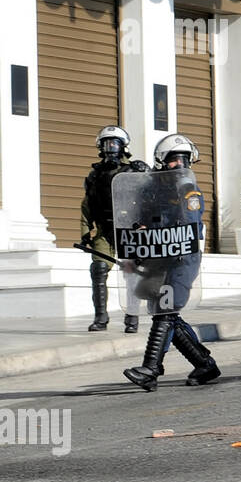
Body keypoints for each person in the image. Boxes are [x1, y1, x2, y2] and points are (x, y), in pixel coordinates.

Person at [122, 134, 221, 391]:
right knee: (164, 311)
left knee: (165, 311)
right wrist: (135, 248)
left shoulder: (189, 190)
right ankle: (204, 364)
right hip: (158, 259)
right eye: (174, 160)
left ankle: (151, 369)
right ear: (161, 162)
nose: (180, 165)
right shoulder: (152, 190)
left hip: (182, 259)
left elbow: (188, 221)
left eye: (184, 160)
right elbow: (141, 220)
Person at [80, 125, 146, 334]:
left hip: (129, 229)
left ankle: (132, 318)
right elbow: (87, 205)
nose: (111, 148)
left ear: (123, 146)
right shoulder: (94, 175)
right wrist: (84, 232)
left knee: (131, 273)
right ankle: (101, 318)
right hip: (104, 229)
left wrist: (147, 172)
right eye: (107, 144)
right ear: (101, 146)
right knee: (98, 269)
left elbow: (151, 196)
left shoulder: (135, 171)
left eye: (115, 143)